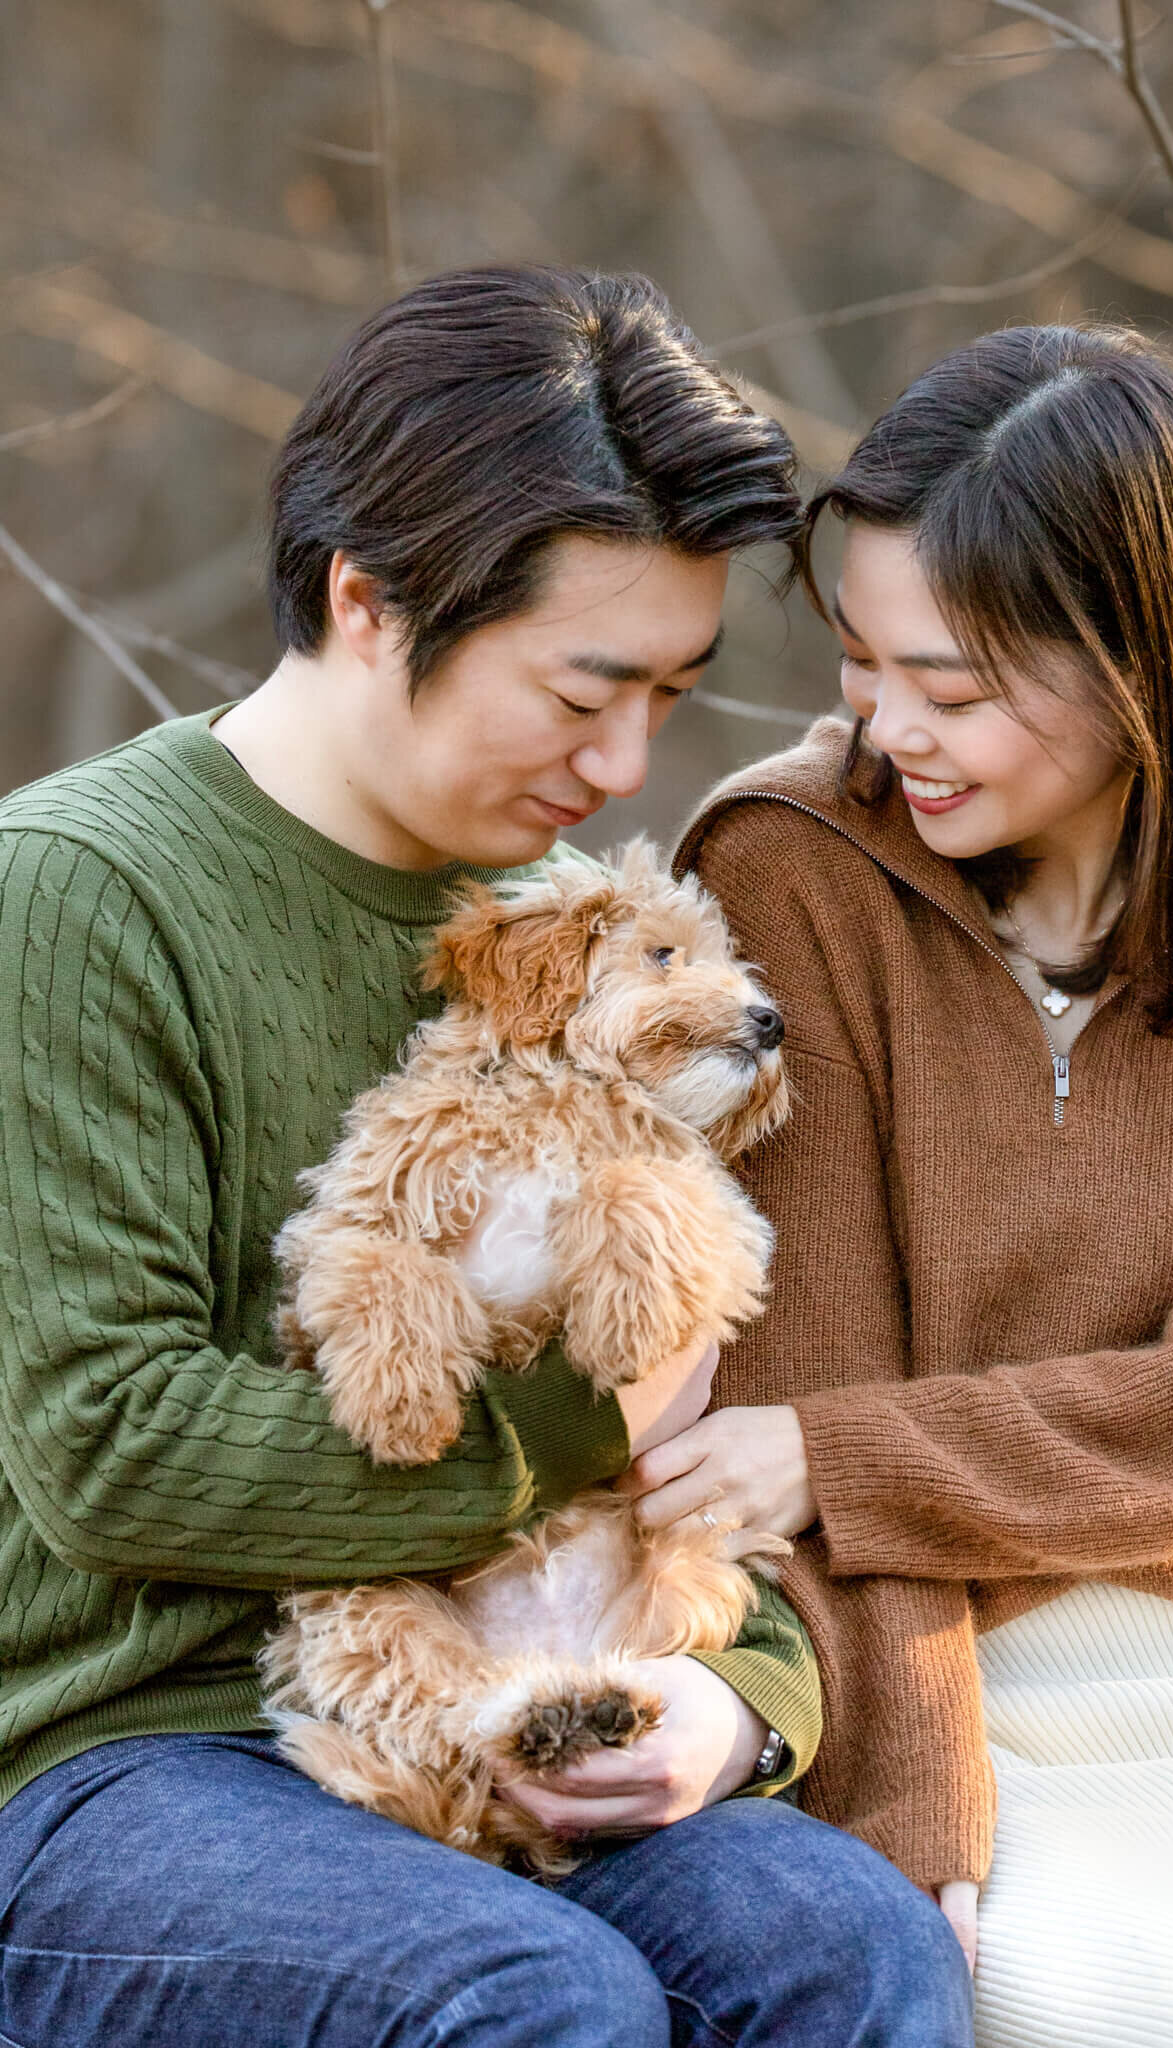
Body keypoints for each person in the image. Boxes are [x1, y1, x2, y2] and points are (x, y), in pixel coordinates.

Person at [0, 267, 973, 2048]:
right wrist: (584, 1435)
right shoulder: (72, 896)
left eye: (672, 696)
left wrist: (732, 1704)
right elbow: (108, 1448)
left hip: (544, 1679)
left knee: (850, 1947)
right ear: (369, 602)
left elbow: (714, 1406)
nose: (621, 764)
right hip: (126, 1755)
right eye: (582, 688)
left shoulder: (599, 942)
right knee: (525, 1995)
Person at [652, 323, 1173, 2044]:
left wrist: (850, 1455)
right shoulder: (787, 866)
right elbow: (796, 1428)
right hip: (941, 1681)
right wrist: (915, 1809)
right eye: (859, 663)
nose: (888, 730)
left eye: (954, 690)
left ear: (1142, 660)